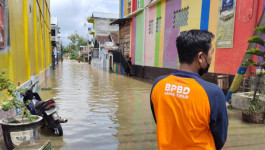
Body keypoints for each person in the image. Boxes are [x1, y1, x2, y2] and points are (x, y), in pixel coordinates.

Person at [150, 30, 228, 150]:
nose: (211, 58)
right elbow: (220, 138)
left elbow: (160, 121)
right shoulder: (213, 93)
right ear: (201, 57)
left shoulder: (158, 85)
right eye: (211, 53)